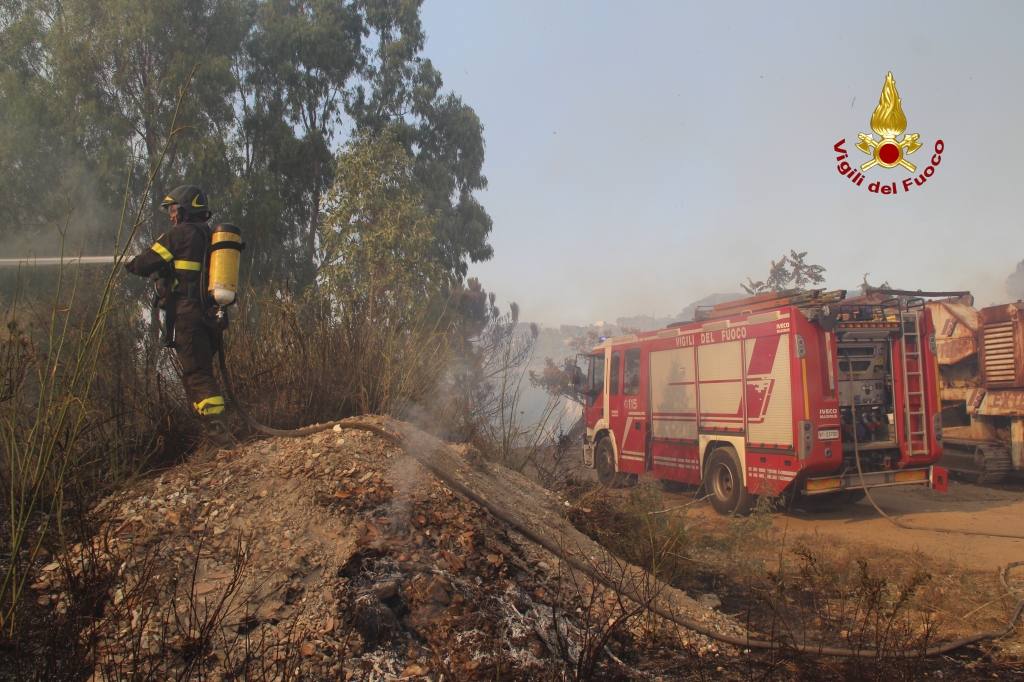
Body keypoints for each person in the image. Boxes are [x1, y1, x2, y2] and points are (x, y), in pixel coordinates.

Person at [125, 185, 236, 451]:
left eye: (174, 209)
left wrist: (129, 262)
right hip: (210, 318)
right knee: (200, 373)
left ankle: (222, 442)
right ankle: (216, 439)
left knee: (198, 375)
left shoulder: (178, 235)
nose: (172, 215)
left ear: (186, 208)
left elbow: (143, 264)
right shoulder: (209, 236)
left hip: (188, 316)